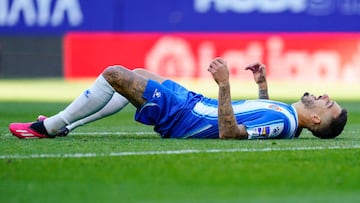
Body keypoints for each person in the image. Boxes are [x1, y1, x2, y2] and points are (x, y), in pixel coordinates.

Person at [9, 57, 347, 139]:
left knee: (115, 74)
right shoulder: (287, 121)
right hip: (193, 104)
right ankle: (67, 124)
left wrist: (225, 84)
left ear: (316, 120)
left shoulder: (286, 121)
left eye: (327, 104)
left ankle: (48, 127)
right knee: (138, 74)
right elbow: (258, 117)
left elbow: (232, 133)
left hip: (187, 116)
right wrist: (261, 85)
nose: (324, 97)